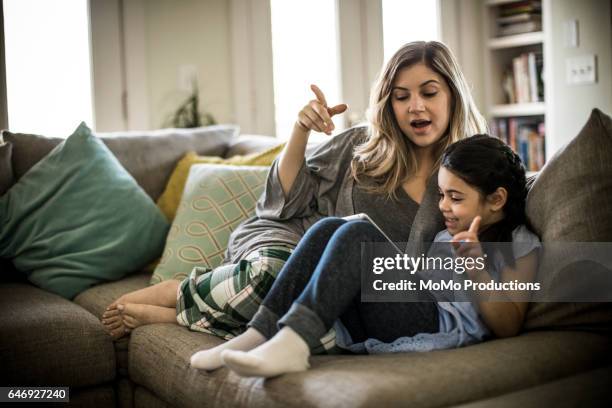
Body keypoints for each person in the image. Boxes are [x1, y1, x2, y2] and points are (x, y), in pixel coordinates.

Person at [101, 41, 486, 363]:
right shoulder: (361, 147)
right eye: (402, 97)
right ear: (389, 104)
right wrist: (301, 130)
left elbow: (500, 240)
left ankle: (176, 313)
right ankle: (186, 295)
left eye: (429, 92)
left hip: (378, 304)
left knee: (326, 335)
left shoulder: (472, 173)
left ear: (453, 94)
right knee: (278, 273)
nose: (415, 106)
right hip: (302, 251)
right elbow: (282, 202)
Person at [211, 135, 540, 378]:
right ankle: (258, 334)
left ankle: (293, 343)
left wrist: (476, 267)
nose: (443, 207)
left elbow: (509, 325)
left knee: (357, 236)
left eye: (455, 197)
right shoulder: (446, 235)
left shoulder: (519, 244)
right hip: (402, 312)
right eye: (441, 195)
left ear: (497, 199)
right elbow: (419, 286)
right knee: (331, 228)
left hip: (438, 329)